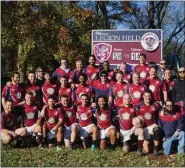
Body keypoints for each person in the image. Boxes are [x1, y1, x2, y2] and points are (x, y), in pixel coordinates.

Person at [137, 90, 161, 156]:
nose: (148, 98)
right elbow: (136, 117)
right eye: (146, 96)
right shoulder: (139, 105)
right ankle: (140, 148)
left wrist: (162, 111)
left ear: (151, 96)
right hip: (144, 127)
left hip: (152, 125)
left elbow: (161, 112)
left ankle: (156, 149)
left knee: (156, 129)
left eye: (149, 96)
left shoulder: (156, 104)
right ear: (143, 96)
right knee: (146, 151)